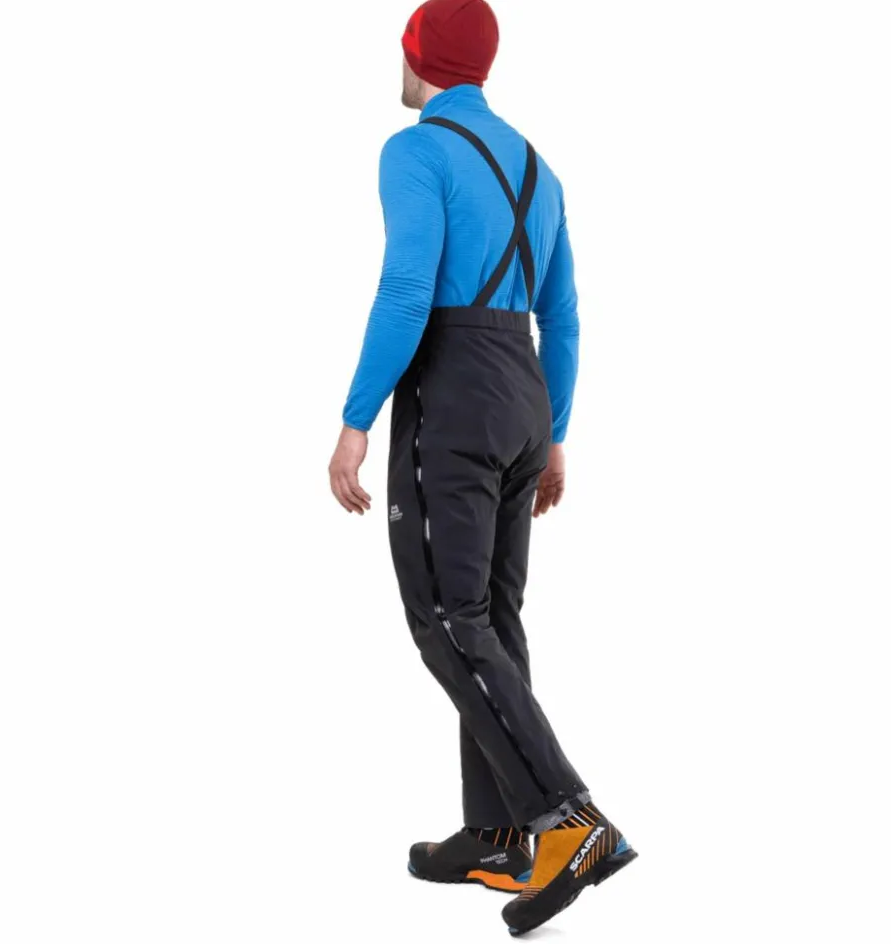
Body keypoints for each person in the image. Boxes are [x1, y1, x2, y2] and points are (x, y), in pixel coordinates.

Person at [328, 0, 636, 933]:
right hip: (524, 394)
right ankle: (501, 834)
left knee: (447, 621)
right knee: (492, 619)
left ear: (419, 56)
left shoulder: (415, 150)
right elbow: (564, 316)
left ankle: (569, 820)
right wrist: (555, 433)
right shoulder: (540, 168)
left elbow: (407, 287)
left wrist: (356, 419)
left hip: (455, 389)